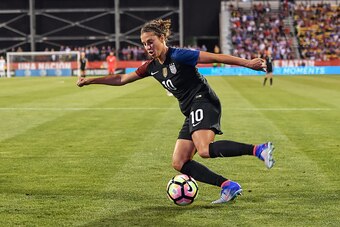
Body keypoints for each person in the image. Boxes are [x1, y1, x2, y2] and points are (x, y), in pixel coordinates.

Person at [77, 19, 275, 204]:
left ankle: (259, 149)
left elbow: (215, 57)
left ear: (162, 39)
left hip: (203, 100)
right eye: (144, 44)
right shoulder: (151, 67)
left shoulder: (180, 55)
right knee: (179, 162)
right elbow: (121, 79)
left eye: (151, 42)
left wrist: (248, 63)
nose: (148, 47)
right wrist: (90, 80)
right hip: (190, 110)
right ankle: (228, 186)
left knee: (204, 149)